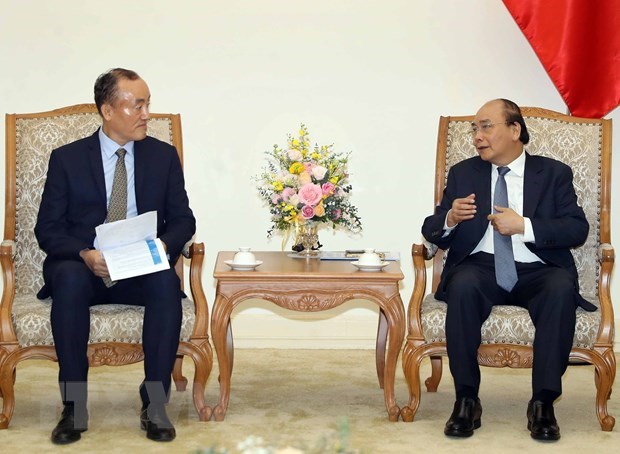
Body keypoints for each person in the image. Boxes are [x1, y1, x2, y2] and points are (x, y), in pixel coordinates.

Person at [35, 68, 196, 444]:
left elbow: (184, 219)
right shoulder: (68, 159)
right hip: (84, 267)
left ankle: (155, 404)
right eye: (137, 105)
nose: (146, 114)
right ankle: (74, 407)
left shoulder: (163, 156)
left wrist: (162, 247)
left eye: (147, 104)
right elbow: (48, 228)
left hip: (138, 267)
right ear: (108, 110)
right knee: (70, 280)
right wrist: (84, 253)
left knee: (165, 283)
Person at [421, 99, 596, 441]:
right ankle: (466, 400)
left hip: (539, 269)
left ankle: (543, 403)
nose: (477, 136)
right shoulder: (463, 173)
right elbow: (430, 229)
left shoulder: (554, 173)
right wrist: (450, 219)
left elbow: (577, 229)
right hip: (480, 266)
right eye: (474, 128)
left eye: (486, 126)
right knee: (463, 284)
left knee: (560, 288)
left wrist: (524, 226)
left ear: (515, 130)